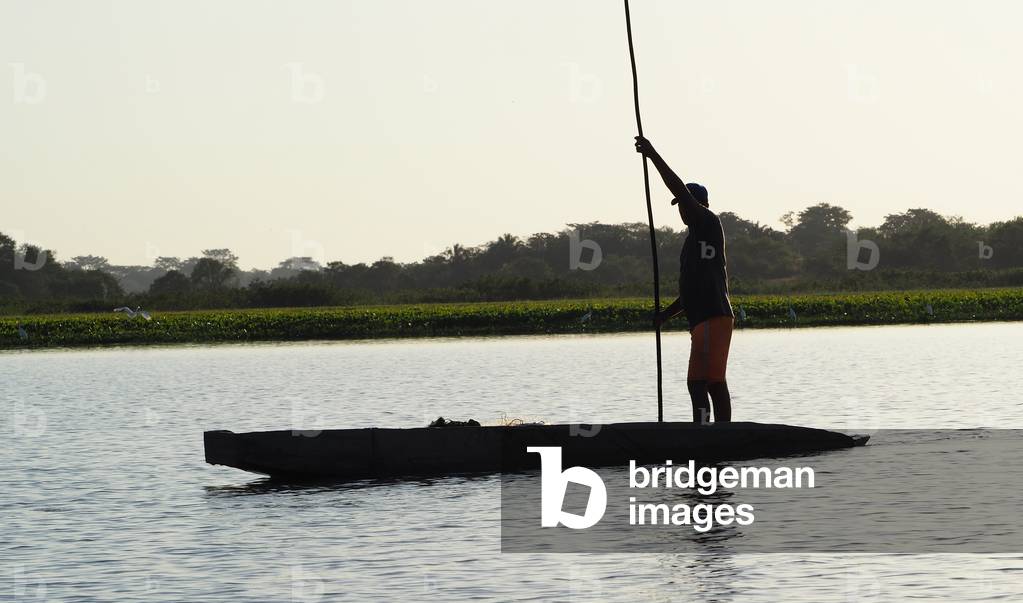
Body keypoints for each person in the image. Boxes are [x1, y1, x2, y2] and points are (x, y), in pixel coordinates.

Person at [634, 136, 735, 423]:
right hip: (704, 319)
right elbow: (689, 292)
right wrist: (665, 315)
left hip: (713, 316)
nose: (681, 210)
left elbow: (676, 187)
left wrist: (653, 156)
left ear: (699, 205)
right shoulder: (691, 243)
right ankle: (713, 432)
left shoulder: (707, 221)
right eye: (679, 205)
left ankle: (716, 433)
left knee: (704, 383)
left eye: (685, 204)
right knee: (708, 383)